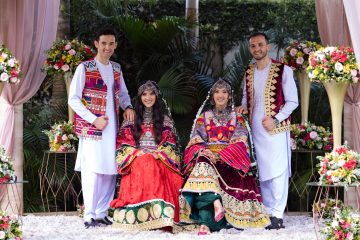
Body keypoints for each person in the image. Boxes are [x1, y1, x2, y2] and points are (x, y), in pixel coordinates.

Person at [179, 79, 269, 235]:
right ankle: (216, 203)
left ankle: (205, 224)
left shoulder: (238, 117)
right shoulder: (204, 116)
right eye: (217, 92)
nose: (220, 95)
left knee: (202, 179)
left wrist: (221, 155)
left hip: (229, 162)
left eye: (224, 92)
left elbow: (241, 140)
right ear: (212, 95)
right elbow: (195, 139)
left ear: (230, 96)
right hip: (207, 159)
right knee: (202, 162)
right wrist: (205, 151)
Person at [68, 27, 135, 228]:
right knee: (93, 170)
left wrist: (128, 106)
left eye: (111, 44)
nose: (107, 47)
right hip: (92, 129)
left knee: (110, 170)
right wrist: (93, 119)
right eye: (103, 43)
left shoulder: (116, 68)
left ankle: (101, 212)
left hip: (112, 128)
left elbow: (123, 94)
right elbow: (73, 99)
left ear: (115, 45)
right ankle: (88, 214)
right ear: (96, 44)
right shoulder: (85, 68)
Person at [238, 32, 299, 230]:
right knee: (263, 171)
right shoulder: (248, 71)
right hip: (255, 129)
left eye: (260, 45)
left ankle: (278, 215)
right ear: (250, 49)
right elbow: (247, 99)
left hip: (276, 129)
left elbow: (292, 102)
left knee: (278, 170)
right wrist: (242, 107)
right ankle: (267, 211)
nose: (257, 49)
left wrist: (276, 119)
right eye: (253, 46)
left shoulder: (284, 70)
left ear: (268, 46)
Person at [110, 80, 184, 231]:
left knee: (151, 162)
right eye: (144, 94)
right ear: (139, 97)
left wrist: (159, 153)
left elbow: (170, 143)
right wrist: (138, 153)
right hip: (137, 158)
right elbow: (123, 143)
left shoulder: (165, 119)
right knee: (145, 161)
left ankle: (157, 215)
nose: (148, 97)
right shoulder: (131, 118)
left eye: (151, 94)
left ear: (157, 96)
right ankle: (147, 214)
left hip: (159, 158)